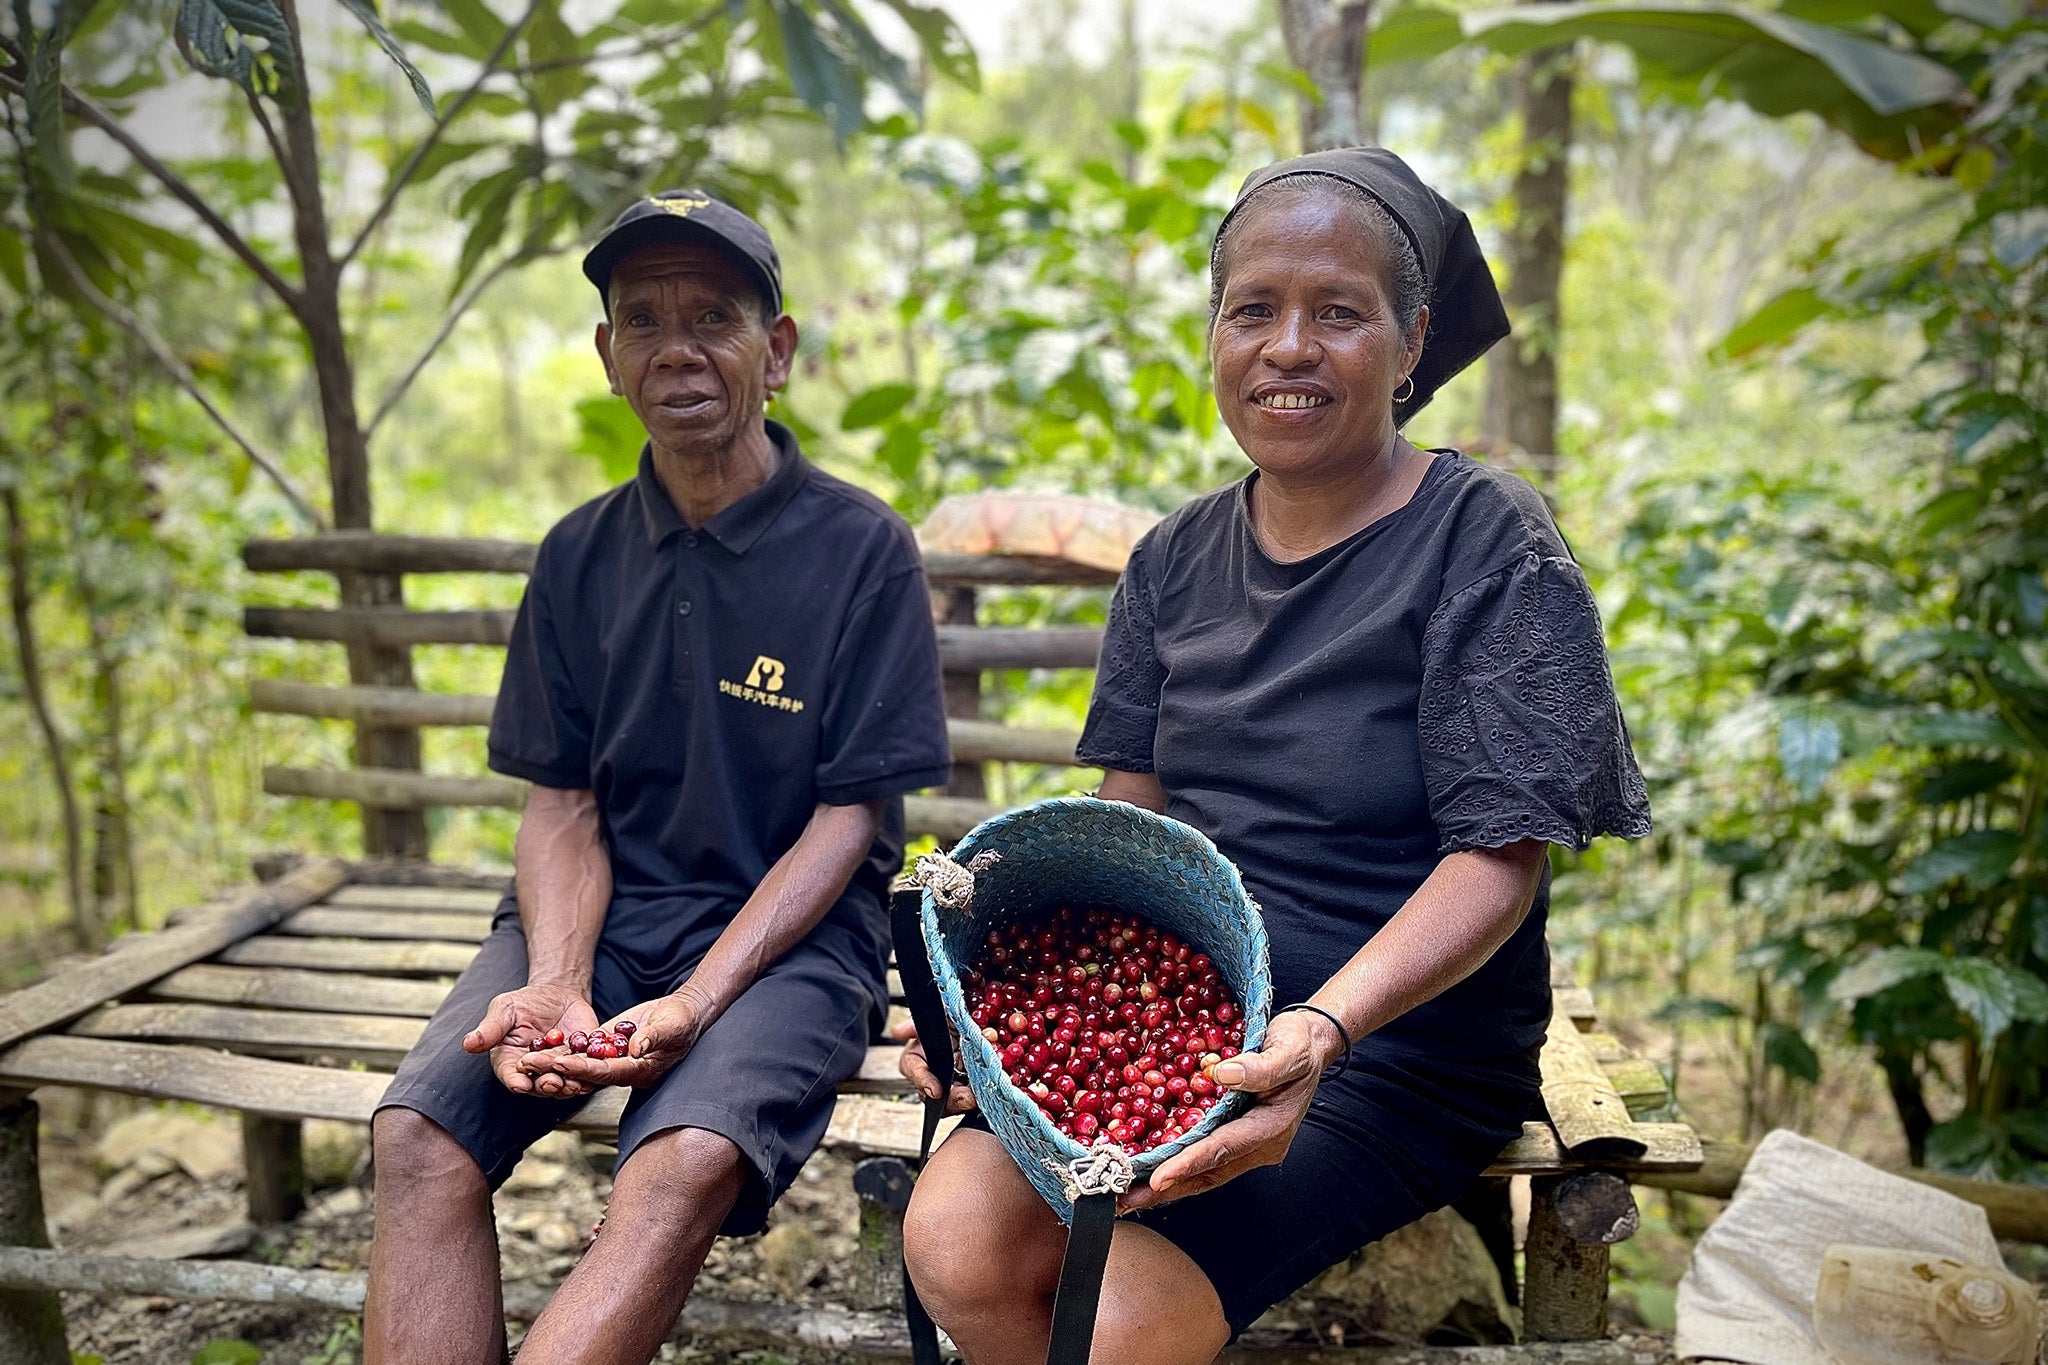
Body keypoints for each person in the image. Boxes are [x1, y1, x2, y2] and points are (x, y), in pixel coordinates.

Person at [895, 147, 1652, 1364]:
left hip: (1390, 1040)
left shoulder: (1484, 538)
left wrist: (1320, 1028)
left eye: (1337, 313)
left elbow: (1495, 865)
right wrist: (999, 1020)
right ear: (1214, 332)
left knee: (1119, 1319)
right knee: (955, 1242)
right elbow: (1122, 831)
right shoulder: (1173, 560)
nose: (1286, 346)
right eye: (1252, 308)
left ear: (1410, 344)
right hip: (1184, 1013)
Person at [364, 190, 951, 1365]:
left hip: (791, 942)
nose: (677, 348)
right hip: (601, 919)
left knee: (678, 1160)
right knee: (416, 1139)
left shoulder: (860, 550)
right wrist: (559, 984)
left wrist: (694, 1004)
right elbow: (562, 802)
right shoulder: (578, 554)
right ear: (607, 357)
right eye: (643, 320)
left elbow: (850, 823)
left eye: (714, 317)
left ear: (774, 351)